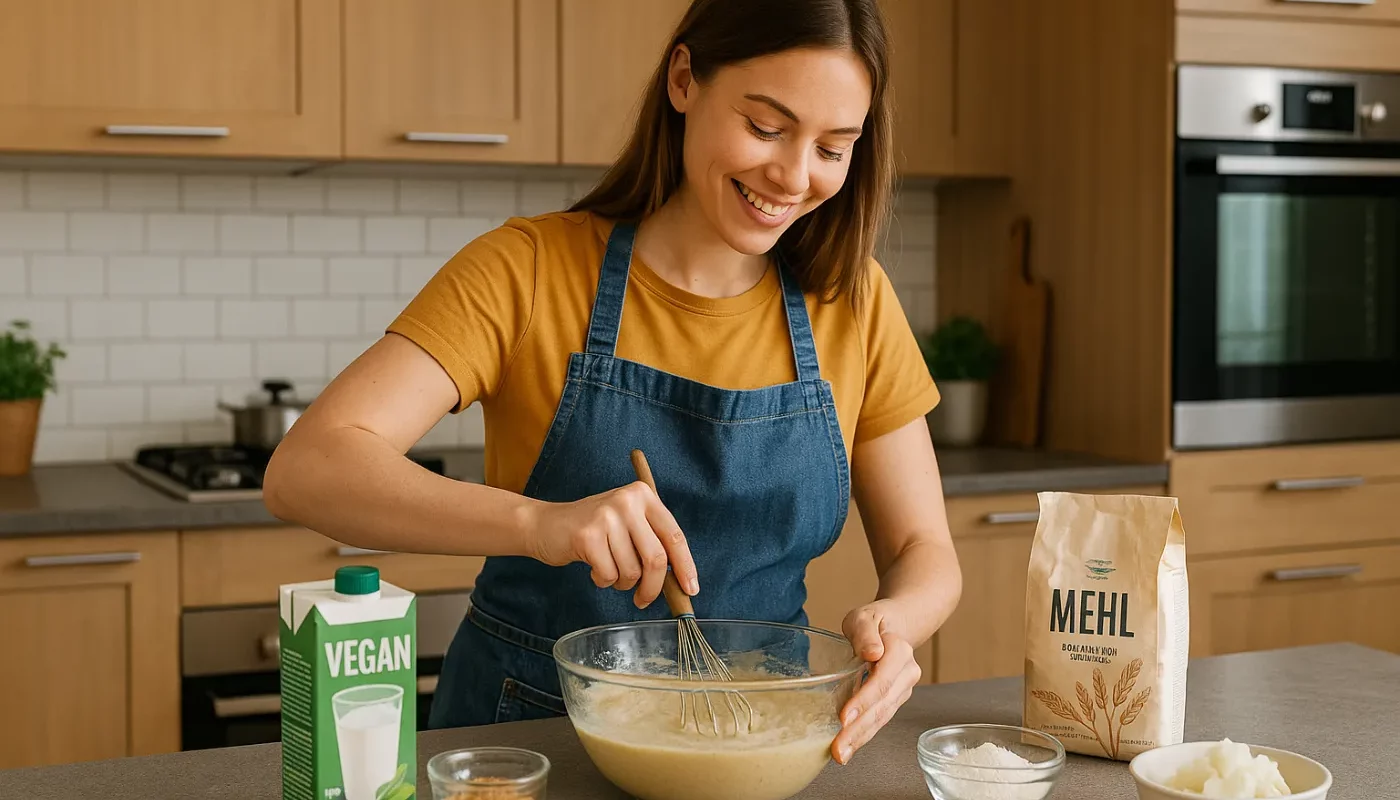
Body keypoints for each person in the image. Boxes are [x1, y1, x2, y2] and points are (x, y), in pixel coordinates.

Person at [263, 0, 961, 765]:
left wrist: (900, 621)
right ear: (685, 78)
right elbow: (308, 470)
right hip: (521, 747)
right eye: (766, 128)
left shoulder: (854, 301)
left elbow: (923, 548)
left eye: (833, 148)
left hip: (759, 741)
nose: (793, 176)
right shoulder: (527, 270)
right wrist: (541, 524)